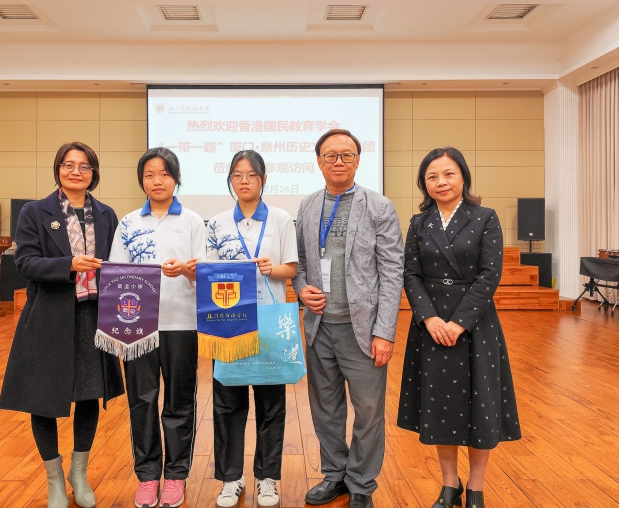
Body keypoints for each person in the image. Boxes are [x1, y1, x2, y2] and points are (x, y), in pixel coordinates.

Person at [0, 141, 124, 508]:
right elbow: (25, 263)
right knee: (42, 398)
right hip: (48, 318)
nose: (76, 172)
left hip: (93, 316)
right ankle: (54, 479)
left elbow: (117, 264)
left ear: (93, 173)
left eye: (84, 166)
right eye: (68, 165)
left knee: (89, 393)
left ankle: (78, 473)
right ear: (58, 169)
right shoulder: (35, 212)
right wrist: (69, 264)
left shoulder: (106, 215)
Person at [397, 147, 521, 508]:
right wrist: (430, 318)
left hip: (476, 325)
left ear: (463, 177)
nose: (441, 182)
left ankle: (476, 488)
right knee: (441, 406)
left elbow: (489, 275)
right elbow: (411, 275)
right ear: (424, 184)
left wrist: (459, 323)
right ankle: (450, 485)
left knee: (481, 406)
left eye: (448, 174)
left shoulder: (485, 217)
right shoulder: (419, 223)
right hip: (432, 326)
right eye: (432, 176)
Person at [292, 129, 403, 508]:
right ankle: (334, 475)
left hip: (364, 331)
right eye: (331, 155)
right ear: (319, 161)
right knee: (326, 409)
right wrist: (301, 288)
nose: (338, 161)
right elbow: (300, 263)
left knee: (368, 411)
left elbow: (392, 271)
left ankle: (361, 484)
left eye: (346, 155)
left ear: (357, 160)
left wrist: (385, 332)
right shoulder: (308, 205)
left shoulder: (379, 206)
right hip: (319, 327)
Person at [108, 148, 206, 508]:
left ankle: (176, 475)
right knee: (142, 401)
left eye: (164, 174)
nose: (157, 181)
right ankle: (148, 476)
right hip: (137, 326)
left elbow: (205, 273)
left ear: (176, 179)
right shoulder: (128, 223)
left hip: (182, 323)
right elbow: (116, 273)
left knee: (179, 401)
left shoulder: (193, 221)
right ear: (142, 181)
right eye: (149, 175)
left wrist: (187, 270)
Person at [206, 150, 298, 508]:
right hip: (227, 322)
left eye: (251, 175)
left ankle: (267, 477)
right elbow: (208, 274)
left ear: (263, 179)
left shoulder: (281, 219)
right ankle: (231, 478)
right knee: (227, 403)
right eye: (237, 175)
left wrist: (271, 269)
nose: (244, 181)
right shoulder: (216, 223)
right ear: (230, 180)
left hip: (269, 322)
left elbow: (291, 268)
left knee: (271, 403)